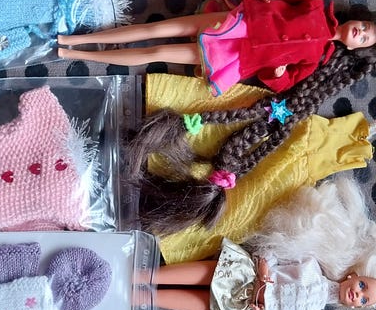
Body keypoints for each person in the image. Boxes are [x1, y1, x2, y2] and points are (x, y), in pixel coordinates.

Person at [123, 39, 375, 234]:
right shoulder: (252, 145)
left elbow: (259, 146)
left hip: (274, 120)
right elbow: (251, 138)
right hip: (271, 115)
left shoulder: (269, 136)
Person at [58, 0, 376, 95]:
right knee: (159, 28)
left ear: (353, 48)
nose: (360, 32)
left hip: (237, 57)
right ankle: (75, 40)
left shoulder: (317, 59)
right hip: (241, 22)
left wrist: (278, 75)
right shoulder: (317, 6)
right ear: (357, 17)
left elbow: (285, 83)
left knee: (156, 53)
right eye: (364, 26)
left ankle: (76, 53)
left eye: (364, 38)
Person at [150, 177, 376, 310]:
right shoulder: (311, 268)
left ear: (357, 307)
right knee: (209, 274)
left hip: (243, 304)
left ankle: (143, 298)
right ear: (354, 276)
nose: (358, 294)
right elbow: (278, 250)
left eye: (364, 299)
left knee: (206, 303)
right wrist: (264, 267)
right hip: (245, 274)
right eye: (362, 286)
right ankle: (144, 276)